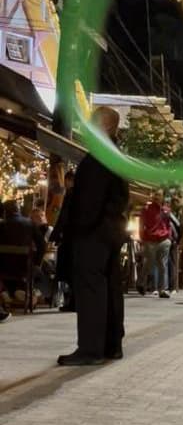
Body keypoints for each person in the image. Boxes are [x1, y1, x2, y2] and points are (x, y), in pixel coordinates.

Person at [57, 106, 129, 366]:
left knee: (92, 289)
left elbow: (90, 201)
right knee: (109, 287)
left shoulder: (100, 156)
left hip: (94, 232)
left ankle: (90, 348)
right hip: (109, 231)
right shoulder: (115, 154)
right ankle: (111, 344)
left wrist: (78, 228)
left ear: (105, 127)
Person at [138, 188, 171, 299]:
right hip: (150, 240)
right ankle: (141, 283)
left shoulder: (166, 210)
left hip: (164, 240)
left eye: (159, 195)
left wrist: (168, 237)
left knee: (163, 265)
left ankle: (163, 289)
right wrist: (143, 238)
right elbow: (141, 225)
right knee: (149, 263)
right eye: (155, 195)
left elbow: (168, 224)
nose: (157, 197)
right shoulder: (146, 209)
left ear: (163, 196)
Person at [50, 169, 76, 310]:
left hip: (69, 237)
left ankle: (71, 302)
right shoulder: (83, 195)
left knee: (67, 270)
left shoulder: (71, 194)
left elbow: (64, 217)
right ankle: (73, 301)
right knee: (74, 271)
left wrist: (56, 234)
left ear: (69, 180)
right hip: (78, 237)